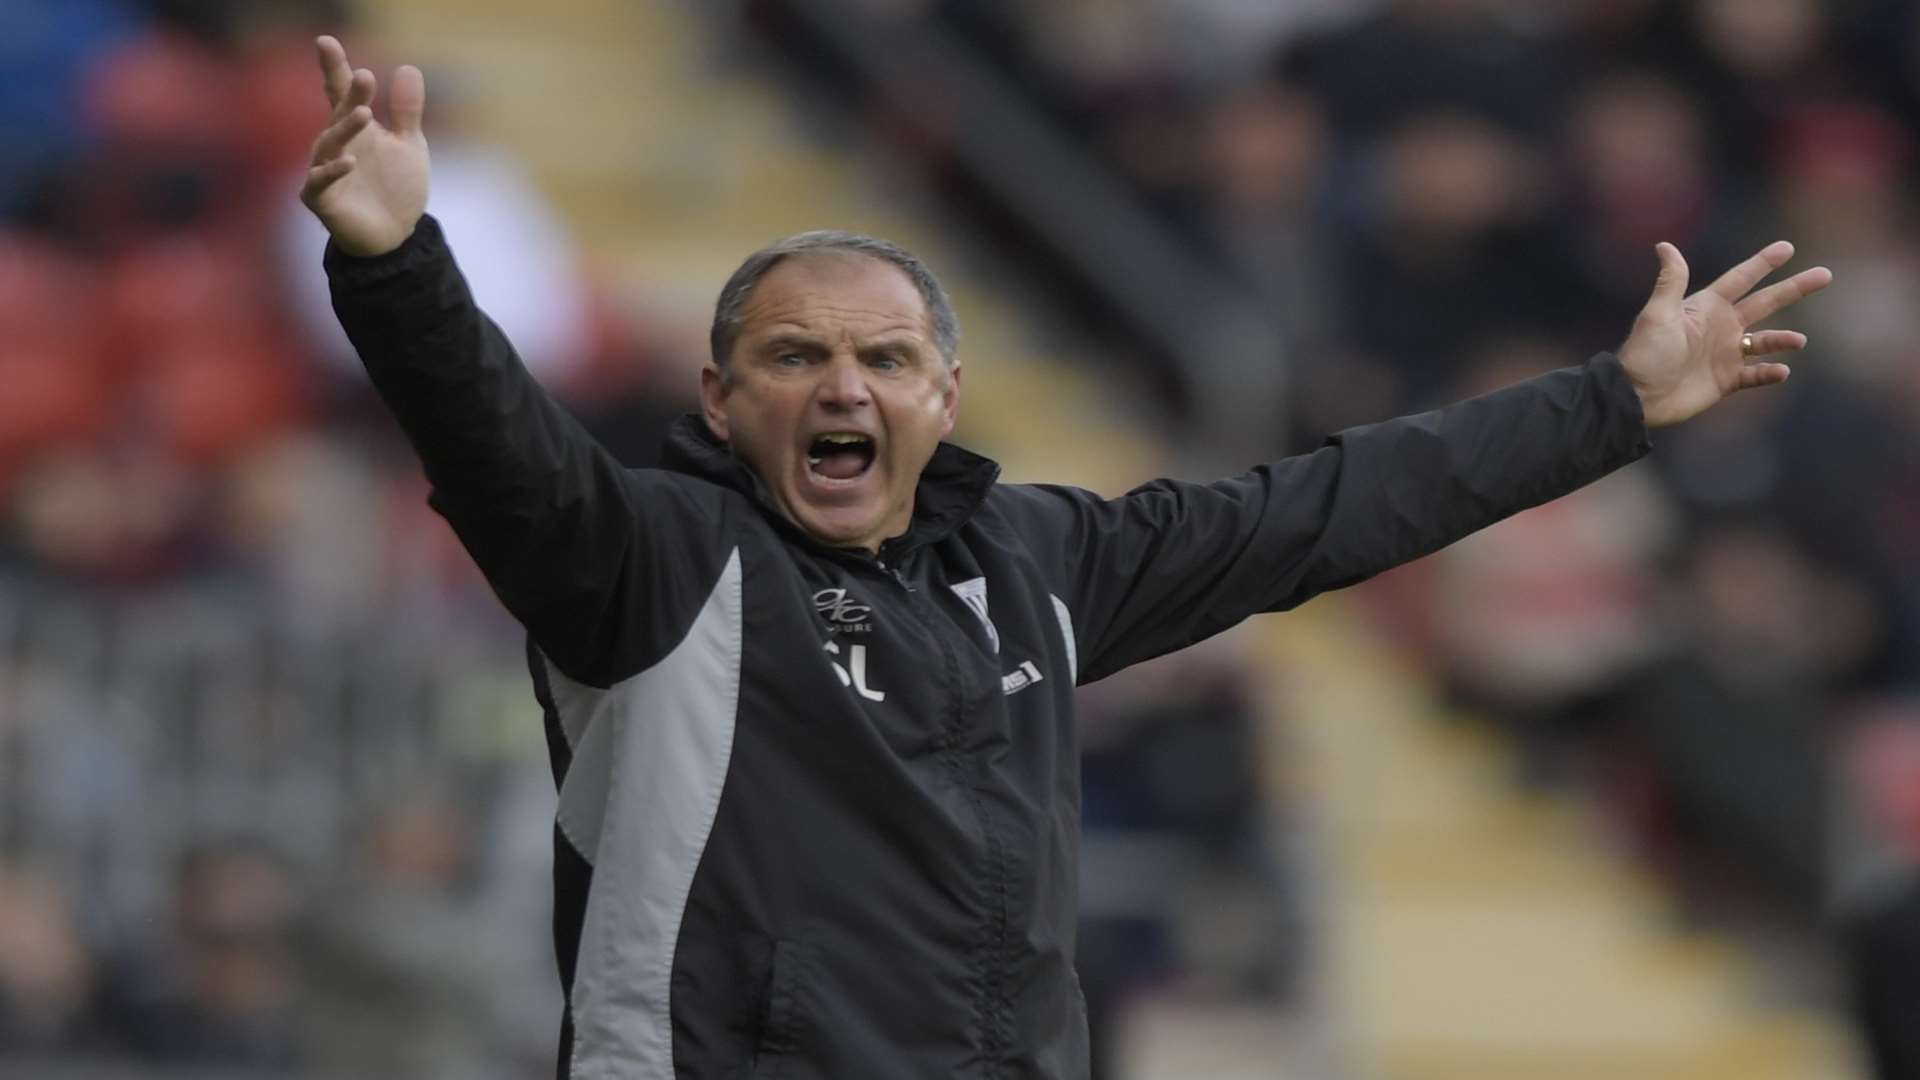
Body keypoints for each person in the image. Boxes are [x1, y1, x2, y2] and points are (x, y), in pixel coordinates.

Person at [298, 34, 1832, 1080]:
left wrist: (1612, 403)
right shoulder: (650, 563)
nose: (846, 388)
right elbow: (492, 437)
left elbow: (1332, 506)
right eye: (797, 356)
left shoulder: (1034, 560)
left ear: (945, 396)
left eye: (887, 358)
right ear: (719, 396)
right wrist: (395, 261)